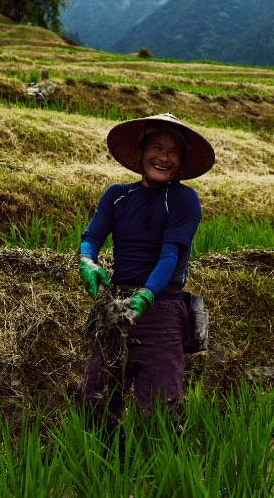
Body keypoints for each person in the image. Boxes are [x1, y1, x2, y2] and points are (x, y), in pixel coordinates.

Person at [75, 112, 215, 439]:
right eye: (156, 147)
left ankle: (161, 479)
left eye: (173, 152)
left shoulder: (184, 200)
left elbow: (170, 254)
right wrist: (87, 259)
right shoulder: (116, 195)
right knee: (92, 400)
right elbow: (92, 237)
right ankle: (111, 466)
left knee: (158, 414)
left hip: (163, 308)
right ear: (141, 151)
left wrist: (147, 295)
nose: (163, 158)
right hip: (116, 305)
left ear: (181, 162)